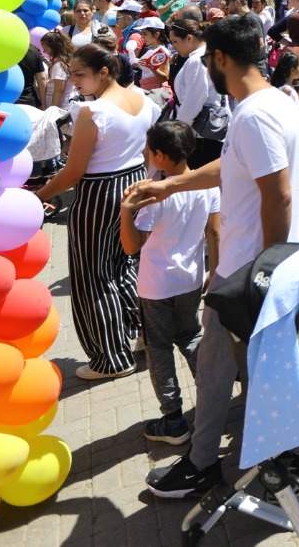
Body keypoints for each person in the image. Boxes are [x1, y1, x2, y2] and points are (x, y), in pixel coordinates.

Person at [134, 13, 299, 499]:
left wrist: (264, 270)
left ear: (220, 58)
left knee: (217, 369)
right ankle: (285, 449)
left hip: (249, 272)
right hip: (267, 264)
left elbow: (277, 194)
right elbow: (234, 166)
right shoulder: (277, 99)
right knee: (246, 367)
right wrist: (170, 183)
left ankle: (203, 464)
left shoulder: (254, 114)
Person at [32, 44, 159, 380]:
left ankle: (111, 358)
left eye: (79, 74)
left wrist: (39, 196)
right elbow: (148, 153)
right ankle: (145, 332)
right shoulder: (143, 101)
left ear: (103, 72)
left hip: (100, 193)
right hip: (132, 184)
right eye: (71, 73)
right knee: (126, 265)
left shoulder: (93, 112)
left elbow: (73, 173)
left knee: (93, 276)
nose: (74, 81)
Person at [119, 120, 221, 446]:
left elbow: (131, 246)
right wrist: (214, 270)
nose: (147, 156)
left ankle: (174, 420)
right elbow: (215, 231)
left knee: (159, 348)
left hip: (156, 285)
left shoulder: (154, 193)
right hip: (191, 279)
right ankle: (212, 400)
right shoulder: (207, 184)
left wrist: (125, 211)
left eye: (149, 151)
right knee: (191, 336)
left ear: (160, 156)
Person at [169, 17, 227, 169]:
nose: (174, 46)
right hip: (207, 130)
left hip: (199, 133)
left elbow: (193, 101)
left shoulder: (197, 60)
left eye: (175, 41)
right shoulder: (208, 55)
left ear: (189, 38)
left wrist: (178, 130)